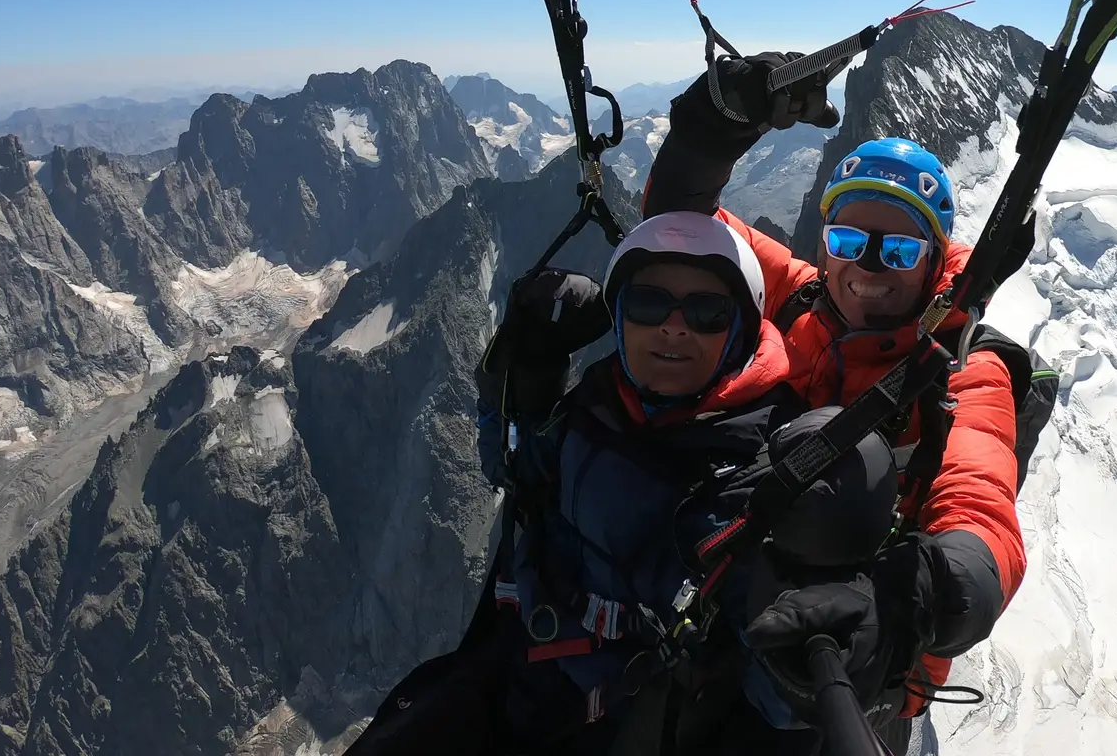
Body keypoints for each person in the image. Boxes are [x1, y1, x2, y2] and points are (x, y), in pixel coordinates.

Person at [350, 210, 901, 754]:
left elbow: (777, 690)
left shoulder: (767, 471)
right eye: (648, 303)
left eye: (707, 311)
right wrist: (519, 382)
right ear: (618, 320)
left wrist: (831, 652)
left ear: (743, 329)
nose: (673, 325)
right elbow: (518, 473)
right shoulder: (595, 406)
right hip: (521, 684)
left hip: (629, 725)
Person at [644, 54, 1029, 740]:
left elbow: (982, 515)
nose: (868, 267)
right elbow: (683, 223)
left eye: (901, 250)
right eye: (849, 241)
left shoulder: (966, 369)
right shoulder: (801, 300)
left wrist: (910, 600)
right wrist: (716, 125)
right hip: (738, 613)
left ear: (939, 262)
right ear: (824, 250)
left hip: (853, 677)